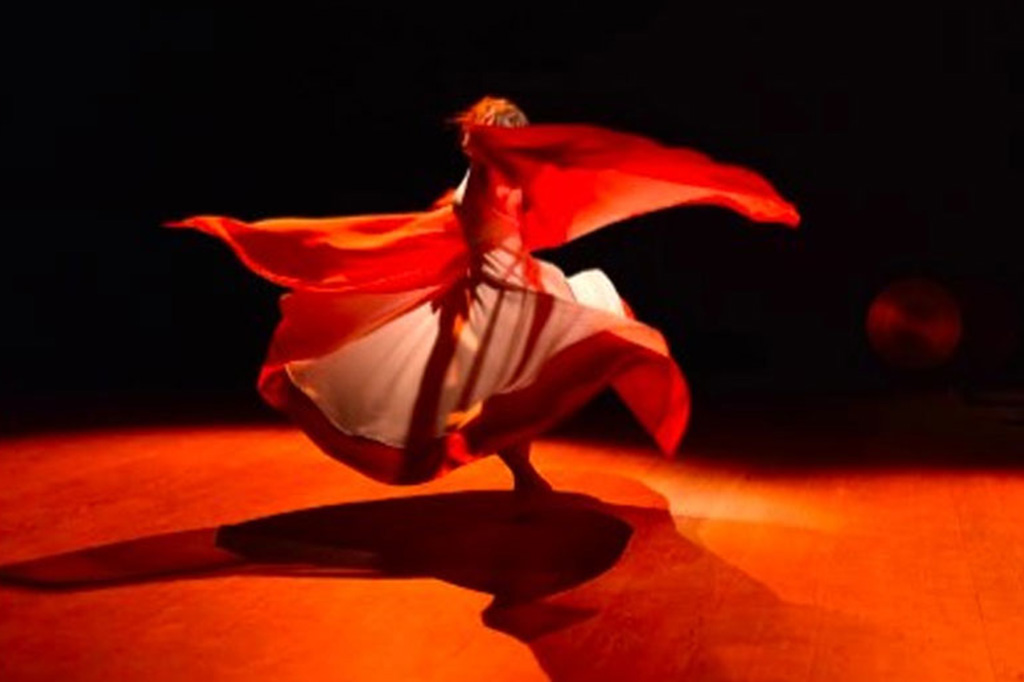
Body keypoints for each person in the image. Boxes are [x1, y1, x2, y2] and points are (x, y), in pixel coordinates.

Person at [166, 96, 799, 493]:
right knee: (487, 393)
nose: (468, 137)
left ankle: (524, 471)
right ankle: (522, 472)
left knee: (543, 357)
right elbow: (447, 224)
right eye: (472, 132)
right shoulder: (478, 177)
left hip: (512, 289)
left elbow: (521, 202)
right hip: (485, 295)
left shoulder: (498, 175)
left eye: (478, 131)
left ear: (495, 137)